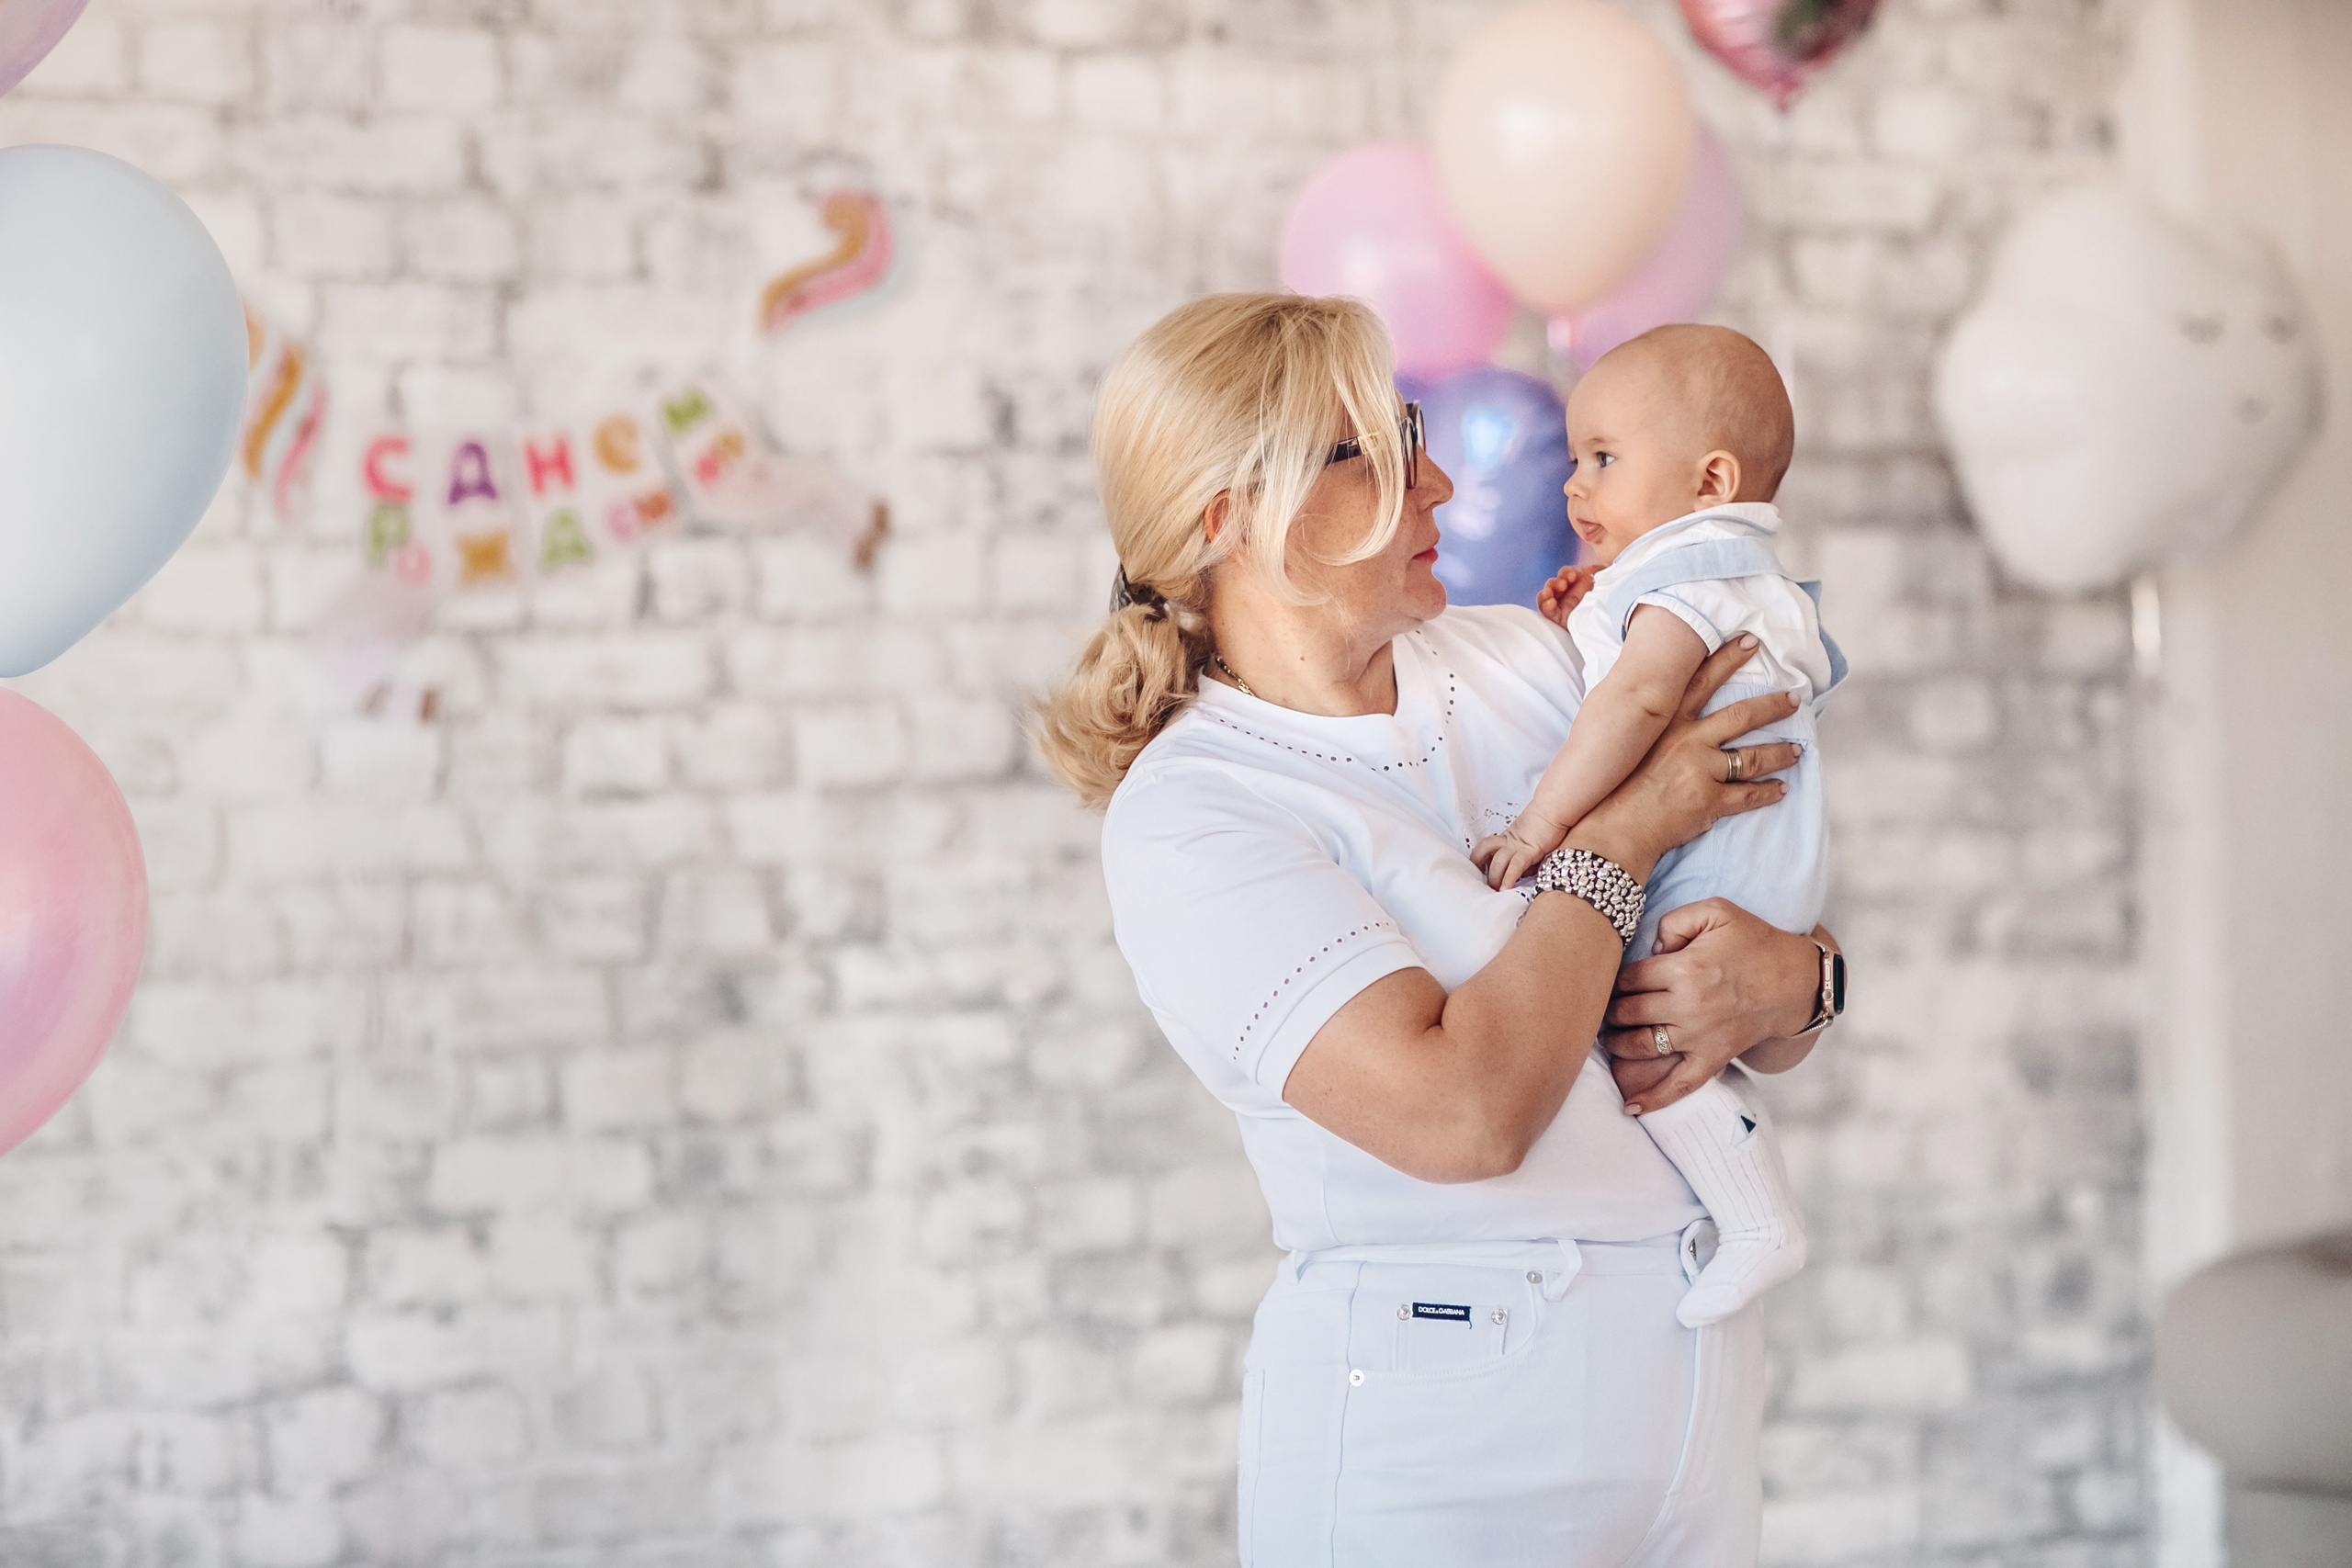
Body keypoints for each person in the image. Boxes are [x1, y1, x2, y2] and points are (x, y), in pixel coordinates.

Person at [1035, 294, 1845, 1565]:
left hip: (1690, 1400)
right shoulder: (1197, 813)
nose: (1450, 481)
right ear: (1232, 518)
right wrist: (1619, 837)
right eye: (1382, 448)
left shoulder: (1535, 658)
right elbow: (1467, 1114)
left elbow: (1751, 956)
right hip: (1446, 1440)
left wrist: (1808, 979)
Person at [1470, 324, 1843, 1328]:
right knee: (1651, 1039)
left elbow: (1634, 712)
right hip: (1760, 867)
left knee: (1644, 1046)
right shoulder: (1714, 575)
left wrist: (1541, 824)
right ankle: (1751, 1210)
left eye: (1602, 458)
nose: (1571, 484)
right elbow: (1624, 687)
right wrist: (1580, 627)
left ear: (1710, 476)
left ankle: (1759, 1219)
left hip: (1719, 870)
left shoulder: (1684, 583)